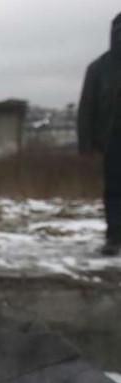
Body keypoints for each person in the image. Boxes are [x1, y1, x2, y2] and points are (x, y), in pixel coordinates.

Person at [78, 12, 121, 256]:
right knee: (114, 189)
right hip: (112, 138)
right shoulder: (99, 68)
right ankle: (114, 236)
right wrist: (86, 144)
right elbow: (87, 107)